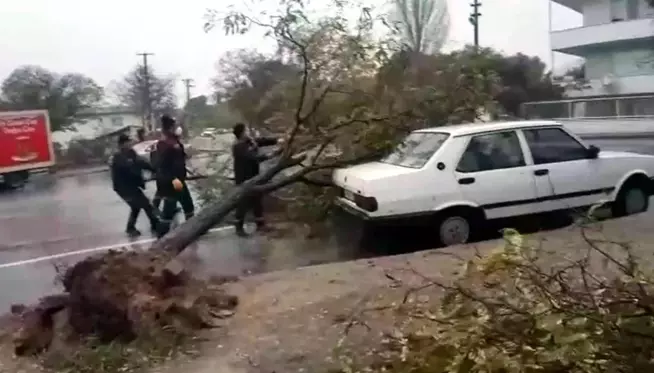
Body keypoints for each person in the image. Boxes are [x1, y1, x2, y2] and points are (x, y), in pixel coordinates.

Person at [231, 122, 284, 237]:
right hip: (243, 178)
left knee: (257, 200)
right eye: (246, 130)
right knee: (243, 202)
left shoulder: (249, 141)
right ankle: (239, 227)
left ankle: (260, 225)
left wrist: (278, 140)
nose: (249, 132)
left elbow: (262, 141)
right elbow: (252, 158)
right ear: (242, 133)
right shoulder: (238, 146)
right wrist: (271, 155)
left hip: (254, 175)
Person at [110, 133, 160, 237]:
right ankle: (155, 224)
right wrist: (141, 177)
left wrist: (153, 169)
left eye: (130, 142)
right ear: (122, 144)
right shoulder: (118, 156)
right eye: (128, 142)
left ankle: (131, 228)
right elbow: (129, 169)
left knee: (137, 206)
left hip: (132, 186)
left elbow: (141, 162)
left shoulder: (131, 153)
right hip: (123, 187)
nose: (130, 144)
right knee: (145, 204)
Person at [154, 115, 195, 237]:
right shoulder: (166, 143)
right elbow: (168, 163)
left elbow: (178, 159)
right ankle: (162, 234)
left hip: (175, 179)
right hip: (174, 180)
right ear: (170, 128)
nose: (177, 128)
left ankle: (190, 228)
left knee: (184, 203)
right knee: (174, 205)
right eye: (174, 126)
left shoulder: (172, 141)